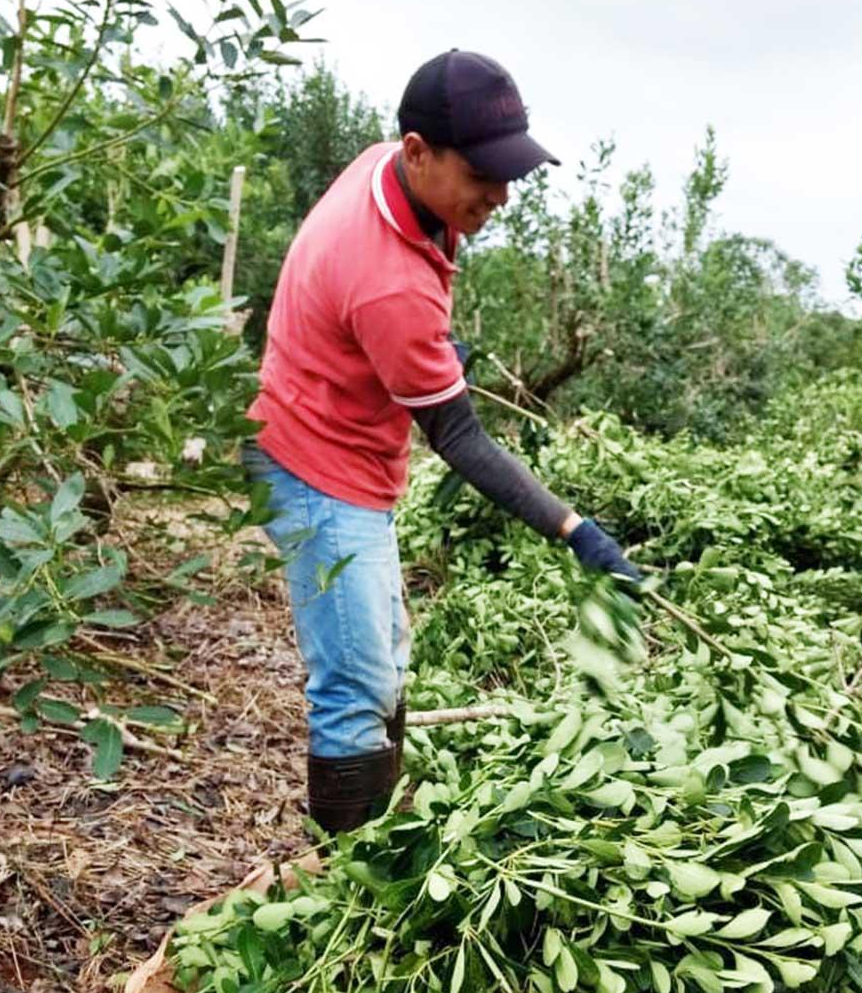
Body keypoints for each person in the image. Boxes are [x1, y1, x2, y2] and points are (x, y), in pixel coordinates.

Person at [243, 50, 638, 834]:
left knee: (385, 662)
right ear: (418, 151)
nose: (498, 196)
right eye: (482, 175)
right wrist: (575, 530)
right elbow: (458, 437)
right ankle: (352, 885)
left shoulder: (387, 169)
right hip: (317, 470)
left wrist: (410, 356)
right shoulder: (389, 279)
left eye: (507, 174)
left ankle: (376, 826)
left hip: (330, 435)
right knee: (354, 689)